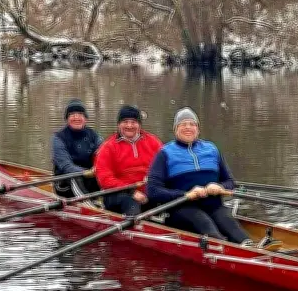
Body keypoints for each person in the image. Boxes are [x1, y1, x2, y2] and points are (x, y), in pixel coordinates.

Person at [146, 107, 252, 245]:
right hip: (182, 208)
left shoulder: (212, 149)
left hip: (213, 205)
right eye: (183, 124)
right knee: (211, 232)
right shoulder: (165, 153)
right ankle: (223, 247)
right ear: (175, 129)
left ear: (198, 129)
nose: (188, 127)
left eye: (192, 124)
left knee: (239, 234)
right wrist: (186, 194)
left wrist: (219, 186)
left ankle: (250, 248)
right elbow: (153, 190)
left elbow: (230, 182)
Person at [94, 105, 163, 216]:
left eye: (133, 122)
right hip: (118, 194)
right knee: (130, 201)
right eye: (125, 122)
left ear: (139, 125)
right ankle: (133, 228)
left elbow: (164, 167)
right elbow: (105, 179)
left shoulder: (153, 142)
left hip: (149, 191)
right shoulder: (108, 147)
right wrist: (131, 191)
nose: (129, 126)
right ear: (118, 124)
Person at [51, 98, 102, 197]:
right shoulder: (58, 138)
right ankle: (90, 207)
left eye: (80, 114)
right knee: (75, 177)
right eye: (72, 115)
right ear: (67, 118)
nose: (76, 118)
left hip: (89, 180)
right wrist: (86, 172)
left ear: (85, 118)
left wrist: (99, 168)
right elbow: (66, 166)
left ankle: (107, 202)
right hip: (65, 184)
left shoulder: (94, 135)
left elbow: (103, 155)